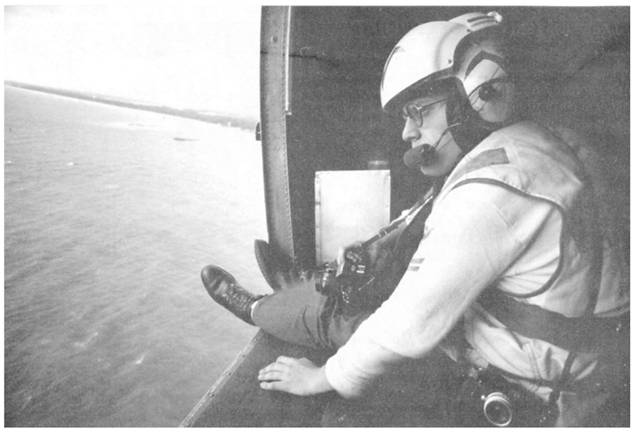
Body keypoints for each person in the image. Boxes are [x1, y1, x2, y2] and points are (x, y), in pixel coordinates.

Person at [201, 11, 629, 426]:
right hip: (575, 368)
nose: (407, 133)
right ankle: (289, 295)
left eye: (417, 112)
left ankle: (257, 308)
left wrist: (322, 378)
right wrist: (375, 247)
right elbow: (432, 220)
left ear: (475, 97)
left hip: (529, 394)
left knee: (343, 321)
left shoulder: (491, 190)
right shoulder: (532, 146)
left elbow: (405, 325)